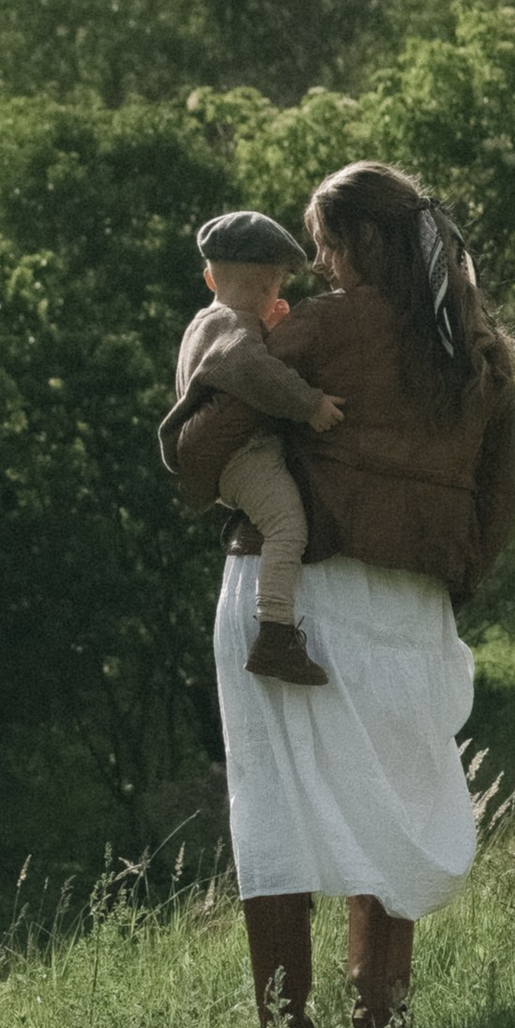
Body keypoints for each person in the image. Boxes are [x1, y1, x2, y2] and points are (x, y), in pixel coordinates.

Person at [172, 159, 515, 1028]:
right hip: (407, 604)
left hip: (289, 591)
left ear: (361, 242)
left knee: (275, 805)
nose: (319, 269)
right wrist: (443, 571)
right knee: (393, 805)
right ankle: (382, 1026)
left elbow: (200, 449)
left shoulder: (324, 332)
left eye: (324, 247)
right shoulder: (475, 350)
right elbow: (495, 505)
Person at [158, 209, 348, 685]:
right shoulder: (231, 331)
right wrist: (310, 405)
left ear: (208, 277)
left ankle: (275, 629)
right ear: (268, 284)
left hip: (235, 460)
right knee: (288, 527)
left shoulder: (209, 321)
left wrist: (265, 324)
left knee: (282, 521)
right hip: (245, 457)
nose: (273, 297)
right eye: (272, 287)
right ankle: (276, 634)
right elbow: (248, 367)